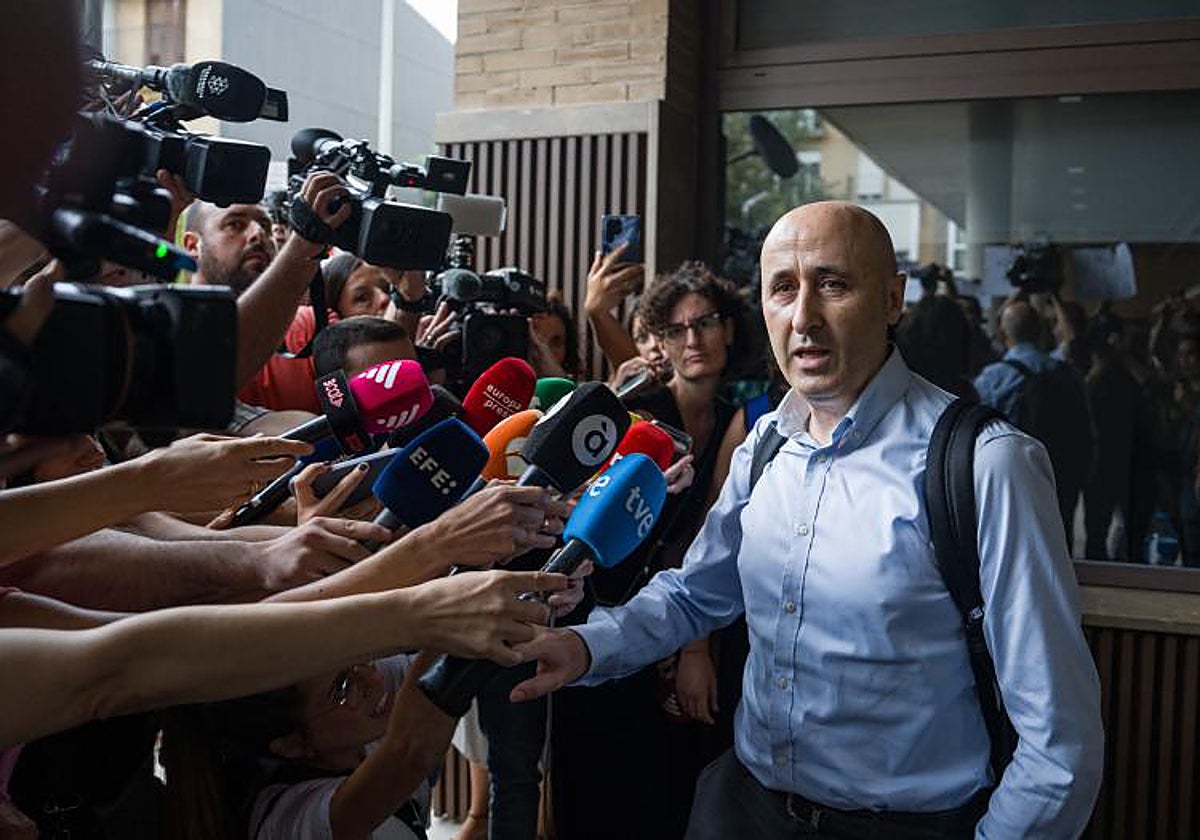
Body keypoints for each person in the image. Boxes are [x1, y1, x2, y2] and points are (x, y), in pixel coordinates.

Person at [513, 201, 1103, 839]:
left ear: (893, 299)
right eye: (783, 289)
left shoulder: (986, 463)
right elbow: (694, 595)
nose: (803, 318)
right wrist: (586, 647)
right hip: (744, 807)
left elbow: (1059, 744)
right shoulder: (767, 443)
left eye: (833, 284)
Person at [551, 261, 743, 839]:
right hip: (603, 608)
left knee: (669, 787)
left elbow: (707, 540)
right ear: (659, 340)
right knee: (597, 783)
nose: (693, 339)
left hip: (683, 618)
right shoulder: (640, 411)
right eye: (677, 329)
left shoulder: (742, 421)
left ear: (728, 329)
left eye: (704, 323)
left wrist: (693, 648)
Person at [974, 300, 1094, 550]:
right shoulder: (1065, 370)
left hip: (1015, 472)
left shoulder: (993, 377)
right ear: (1041, 331)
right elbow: (1071, 340)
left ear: (1003, 333)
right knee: (1060, 538)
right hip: (1062, 468)